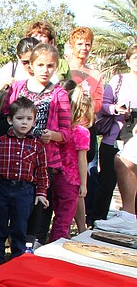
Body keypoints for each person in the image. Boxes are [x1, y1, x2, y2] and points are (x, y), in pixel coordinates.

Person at [6, 42, 72, 246]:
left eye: (50, 66)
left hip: (44, 160)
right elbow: (5, 118)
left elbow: (66, 133)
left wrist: (52, 135)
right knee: (14, 204)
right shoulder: (17, 87)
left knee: (40, 206)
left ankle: (36, 246)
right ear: (31, 65)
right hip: (15, 158)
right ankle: (13, 246)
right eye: (41, 65)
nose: (45, 70)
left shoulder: (59, 93)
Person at [0, 96, 49, 264]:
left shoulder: (37, 146)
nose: (24, 123)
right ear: (10, 119)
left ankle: (17, 259)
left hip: (25, 191)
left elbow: (42, 171)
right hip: (2, 188)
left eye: (29, 119)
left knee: (20, 226)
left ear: (34, 122)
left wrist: (42, 193)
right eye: (20, 118)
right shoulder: (0, 142)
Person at [91, 42, 137, 225]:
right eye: (135, 58)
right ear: (128, 60)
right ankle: (96, 220)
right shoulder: (118, 80)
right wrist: (116, 109)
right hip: (115, 136)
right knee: (106, 182)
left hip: (134, 138)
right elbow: (102, 104)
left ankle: (131, 220)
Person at [48, 86, 92, 241]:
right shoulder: (82, 132)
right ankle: (56, 245)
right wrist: (84, 184)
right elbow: (82, 159)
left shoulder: (64, 131)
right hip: (72, 179)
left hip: (58, 176)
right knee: (65, 218)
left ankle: (55, 239)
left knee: (59, 214)